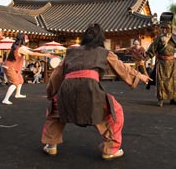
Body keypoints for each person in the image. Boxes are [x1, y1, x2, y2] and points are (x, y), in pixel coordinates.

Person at [40, 23, 151, 159]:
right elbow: (122, 68)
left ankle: (51, 145)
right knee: (114, 112)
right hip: (90, 89)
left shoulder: (71, 52)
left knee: (55, 110)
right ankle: (110, 149)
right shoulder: (104, 53)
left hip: (66, 88)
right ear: (101, 39)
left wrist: (51, 93)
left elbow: (57, 74)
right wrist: (140, 76)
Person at [145, 12, 176, 107]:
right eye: (162, 28)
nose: (164, 30)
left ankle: (172, 99)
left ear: (170, 28)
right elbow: (151, 51)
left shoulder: (174, 39)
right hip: (161, 64)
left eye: (166, 28)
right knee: (161, 82)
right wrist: (145, 59)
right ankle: (161, 99)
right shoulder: (158, 39)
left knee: (173, 82)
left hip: (171, 64)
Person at [1, 34, 52, 105]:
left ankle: (17, 94)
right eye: (26, 39)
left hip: (13, 67)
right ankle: (5, 99)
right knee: (15, 82)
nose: (27, 40)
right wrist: (45, 55)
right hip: (10, 67)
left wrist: (42, 51)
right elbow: (32, 53)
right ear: (23, 40)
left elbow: (31, 50)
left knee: (20, 80)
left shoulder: (18, 46)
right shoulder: (20, 48)